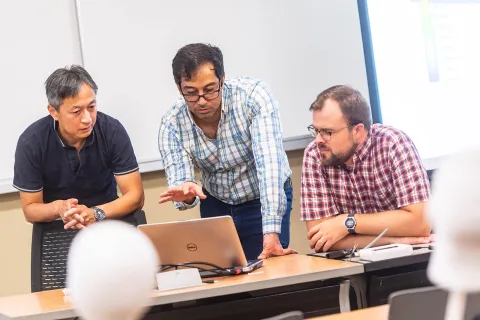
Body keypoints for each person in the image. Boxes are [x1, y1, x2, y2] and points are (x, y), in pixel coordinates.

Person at [158, 43, 296, 260]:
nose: (202, 101)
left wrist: (271, 232)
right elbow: (182, 187)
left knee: (266, 276)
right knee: (222, 275)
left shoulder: (253, 97)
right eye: (191, 93)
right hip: (216, 203)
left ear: (222, 80)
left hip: (261, 198)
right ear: (179, 87)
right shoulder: (172, 124)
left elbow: (269, 167)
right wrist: (185, 195)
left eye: (210, 90)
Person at [301, 85, 432, 252]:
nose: (319, 139)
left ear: (357, 131)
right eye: (316, 130)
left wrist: (347, 223)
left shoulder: (393, 143)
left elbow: (420, 224)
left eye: (328, 132)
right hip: (353, 265)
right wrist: (397, 240)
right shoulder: (315, 155)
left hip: (410, 259)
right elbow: (321, 240)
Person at [13, 65, 144, 230]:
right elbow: (30, 209)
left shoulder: (112, 130)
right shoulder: (31, 142)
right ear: (53, 111)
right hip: (60, 225)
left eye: (91, 107)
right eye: (76, 111)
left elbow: (136, 196)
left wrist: (95, 213)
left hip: (107, 219)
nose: (87, 119)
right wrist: (58, 208)